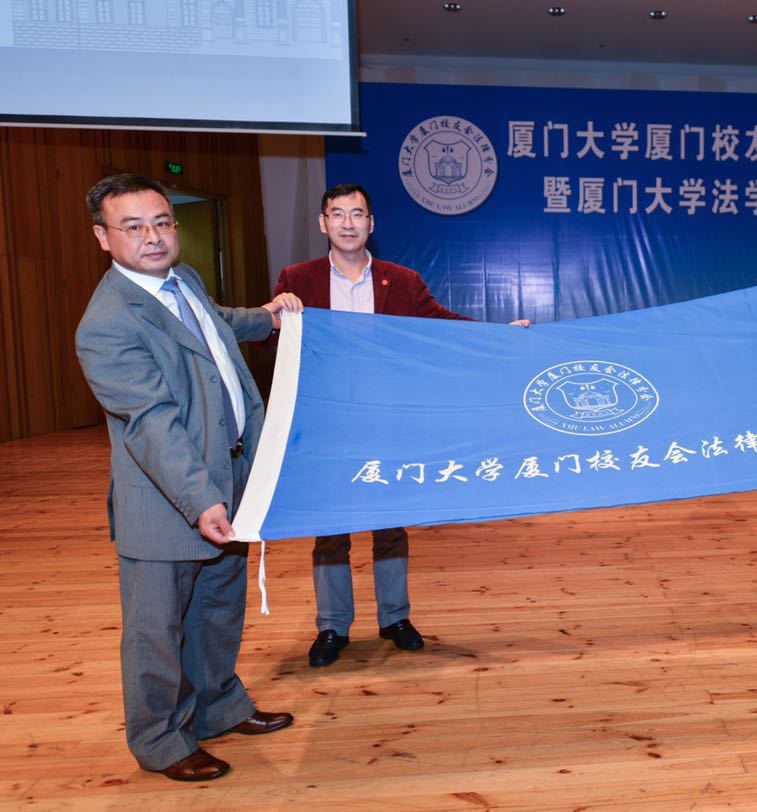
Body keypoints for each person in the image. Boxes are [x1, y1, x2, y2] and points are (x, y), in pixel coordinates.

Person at [75, 173, 303, 781]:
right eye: (133, 227)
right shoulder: (108, 324)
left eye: (161, 222)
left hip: (231, 476)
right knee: (158, 630)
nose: (152, 237)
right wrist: (201, 499)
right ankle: (161, 741)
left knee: (217, 610)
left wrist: (268, 318)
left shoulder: (184, 280)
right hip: (170, 500)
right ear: (103, 237)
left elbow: (215, 323)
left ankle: (218, 707)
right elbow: (151, 423)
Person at [275, 183, 528, 668]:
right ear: (323, 223)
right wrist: (275, 315)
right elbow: (274, 344)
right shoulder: (297, 279)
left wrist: (499, 336)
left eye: (357, 214)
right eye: (337, 214)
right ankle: (332, 626)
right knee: (330, 529)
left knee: (390, 522)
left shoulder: (403, 280)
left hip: (387, 419)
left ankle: (395, 618)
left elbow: (441, 325)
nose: (348, 223)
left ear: (371, 223)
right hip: (327, 421)